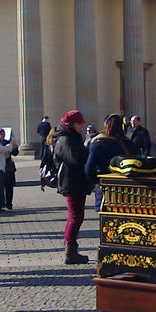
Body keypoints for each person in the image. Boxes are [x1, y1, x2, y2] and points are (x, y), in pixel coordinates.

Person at [53, 110, 90, 264]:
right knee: (75, 216)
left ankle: (72, 248)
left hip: (74, 182)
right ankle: (70, 250)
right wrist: (88, 151)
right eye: (80, 123)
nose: (83, 125)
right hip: (72, 182)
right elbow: (75, 159)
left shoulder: (70, 137)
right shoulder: (67, 139)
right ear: (72, 124)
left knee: (76, 216)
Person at [85, 115, 139, 201]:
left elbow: (89, 170)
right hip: (126, 188)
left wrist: (98, 182)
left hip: (104, 188)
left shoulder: (97, 144)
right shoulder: (129, 144)